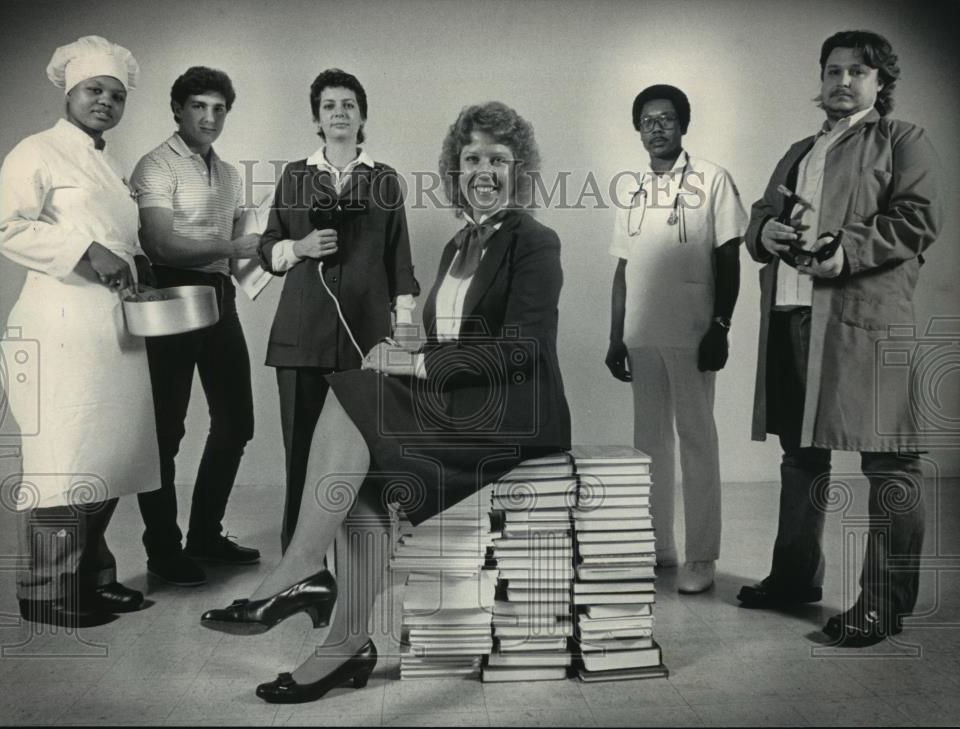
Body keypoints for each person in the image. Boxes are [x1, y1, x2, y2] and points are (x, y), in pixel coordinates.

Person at [201, 101, 572, 703]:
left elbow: (521, 351)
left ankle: (298, 575)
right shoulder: (457, 245)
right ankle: (344, 641)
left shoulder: (535, 241)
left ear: (518, 169)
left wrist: (416, 363)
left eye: (497, 159)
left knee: (356, 398)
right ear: (456, 169)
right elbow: (449, 340)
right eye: (471, 157)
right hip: (461, 403)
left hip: (516, 416)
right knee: (360, 467)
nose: (483, 169)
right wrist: (403, 350)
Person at [737, 30, 940, 647]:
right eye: (833, 71)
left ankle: (885, 605)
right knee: (800, 457)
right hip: (795, 318)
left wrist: (845, 251)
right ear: (821, 80)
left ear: (881, 83)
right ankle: (795, 578)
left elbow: (918, 219)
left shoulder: (903, 140)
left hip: (865, 323)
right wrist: (764, 231)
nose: (843, 82)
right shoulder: (801, 149)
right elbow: (762, 214)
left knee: (890, 463)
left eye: (858, 72)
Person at [0, 35, 157, 627]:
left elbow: (118, 237)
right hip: (58, 326)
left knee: (108, 456)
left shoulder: (106, 164)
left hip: (110, 330)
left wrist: (137, 263)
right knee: (64, 462)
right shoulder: (34, 152)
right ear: (69, 92)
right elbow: (7, 228)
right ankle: (43, 590)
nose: (105, 101)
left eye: (115, 94)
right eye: (94, 91)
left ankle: (89, 577)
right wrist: (85, 250)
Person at [257, 68, 420, 552]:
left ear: (362, 115)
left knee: (363, 452)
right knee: (301, 451)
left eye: (348, 104)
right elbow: (267, 249)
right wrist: (300, 247)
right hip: (301, 337)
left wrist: (406, 328)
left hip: (363, 339)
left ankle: (360, 555)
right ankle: (298, 563)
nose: (340, 113)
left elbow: (400, 257)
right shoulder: (295, 175)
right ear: (317, 118)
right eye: (329, 106)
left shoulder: (384, 180)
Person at [605, 85, 745, 594]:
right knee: (649, 446)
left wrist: (721, 326)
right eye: (646, 119)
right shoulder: (632, 188)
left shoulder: (712, 179)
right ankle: (657, 545)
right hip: (641, 334)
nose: (656, 126)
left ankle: (702, 557)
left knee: (696, 441)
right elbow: (623, 268)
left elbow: (730, 257)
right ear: (638, 129)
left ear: (683, 124)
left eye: (665, 118)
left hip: (691, 331)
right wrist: (615, 335)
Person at [130, 67, 260, 586]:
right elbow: (161, 243)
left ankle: (205, 534)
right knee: (167, 431)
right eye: (199, 107)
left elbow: (244, 248)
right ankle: (163, 549)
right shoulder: (156, 165)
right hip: (170, 292)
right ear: (178, 110)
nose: (209, 118)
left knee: (237, 422)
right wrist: (232, 248)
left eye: (219, 109)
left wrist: (280, 253)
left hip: (218, 295)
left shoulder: (227, 173)